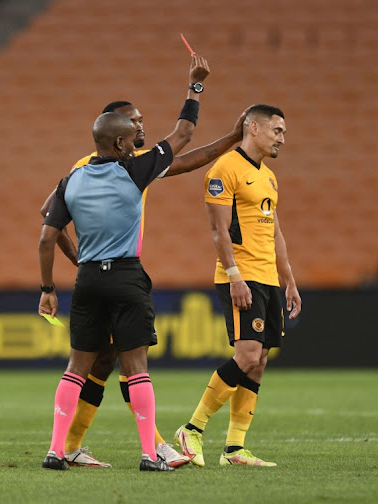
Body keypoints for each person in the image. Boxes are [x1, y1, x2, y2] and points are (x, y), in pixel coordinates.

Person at [40, 102, 248, 468]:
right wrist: (196, 90)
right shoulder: (136, 169)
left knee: (79, 367)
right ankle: (151, 453)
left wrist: (53, 283)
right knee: (135, 367)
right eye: (134, 126)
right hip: (125, 275)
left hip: (88, 278)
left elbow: (46, 231)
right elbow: (184, 138)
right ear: (119, 140)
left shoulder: (73, 177)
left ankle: (57, 449)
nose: (141, 132)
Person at [174, 105, 301, 467]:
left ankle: (234, 449)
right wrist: (234, 277)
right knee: (246, 355)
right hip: (241, 276)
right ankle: (192, 429)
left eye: (284, 132)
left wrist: (288, 280)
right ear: (254, 127)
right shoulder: (224, 170)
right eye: (277, 130)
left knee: (259, 360)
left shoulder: (270, 178)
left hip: (269, 279)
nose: (282, 138)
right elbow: (217, 230)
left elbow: (275, 232)